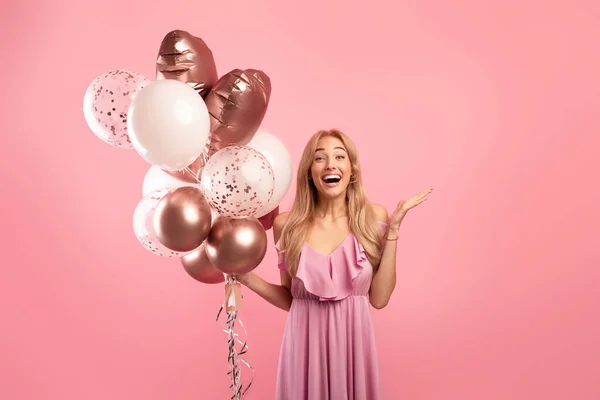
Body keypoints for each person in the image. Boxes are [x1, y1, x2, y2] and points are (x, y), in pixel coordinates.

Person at [235, 129, 432, 400]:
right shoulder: (286, 226)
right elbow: (292, 297)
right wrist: (245, 278)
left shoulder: (373, 218)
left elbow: (380, 298)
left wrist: (394, 231)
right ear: (309, 172)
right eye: (320, 157)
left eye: (340, 156)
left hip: (354, 347)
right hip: (303, 348)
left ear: (352, 171)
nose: (330, 164)